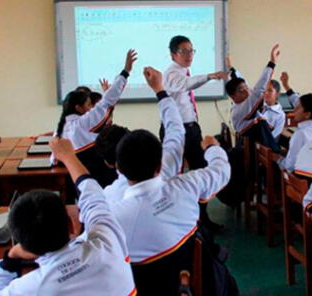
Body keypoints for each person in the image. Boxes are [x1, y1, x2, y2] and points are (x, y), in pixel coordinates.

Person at [110, 67, 231, 295]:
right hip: (186, 280)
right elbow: (179, 134)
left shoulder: (112, 213)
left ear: (119, 169)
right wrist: (214, 149)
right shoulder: (186, 185)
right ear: (159, 165)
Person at [0, 138, 136, 295]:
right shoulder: (108, 240)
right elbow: (93, 196)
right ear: (70, 224)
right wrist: (69, 156)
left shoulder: (31, 288)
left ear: (26, 246)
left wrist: (10, 259)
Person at [98, 67, 185, 204]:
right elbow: (176, 129)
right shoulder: (167, 166)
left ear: (113, 165)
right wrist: (159, 90)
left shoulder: (109, 198)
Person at [53, 49, 137, 188]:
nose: (91, 107)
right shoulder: (83, 122)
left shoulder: (63, 127)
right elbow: (107, 101)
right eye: (88, 104)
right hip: (98, 176)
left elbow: (54, 159)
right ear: (78, 108)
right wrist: (126, 71)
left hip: (76, 178)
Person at [163, 35, 228, 170]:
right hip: (178, 130)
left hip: (189, 127)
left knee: (197, 165)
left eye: (191, 51)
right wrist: (209, 76)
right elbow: (186, 84)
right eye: (184, 51)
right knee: (189, 167)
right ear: (173, 55)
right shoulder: (171, 73)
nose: (189, 55)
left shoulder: (183, 70)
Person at [277, 93, 312, 172]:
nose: (294, 109)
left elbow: (290, 166)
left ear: (307, 114)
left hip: (300, 180)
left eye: (298, 107)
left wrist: (278, 160)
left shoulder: (300, 134)